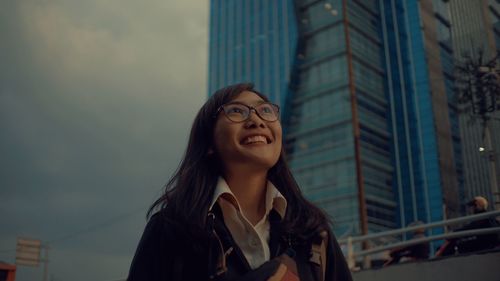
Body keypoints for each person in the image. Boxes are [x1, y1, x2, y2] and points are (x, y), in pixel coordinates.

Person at [127, 83, 353, 281]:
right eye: (236, 111)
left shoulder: (313, 231)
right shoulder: (170, 229)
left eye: (265, 110)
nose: (256, 120)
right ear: (209, 144)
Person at [435, 196, 500, 257]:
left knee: (460, 244)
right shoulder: (491, 218)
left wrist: (453, 233)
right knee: (459, 240)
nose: (471, 210)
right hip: (490, 245)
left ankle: (440, 255)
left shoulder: (481, 219)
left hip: (485, 246)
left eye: (472, 207)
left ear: (476, 207)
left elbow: (468, 229)